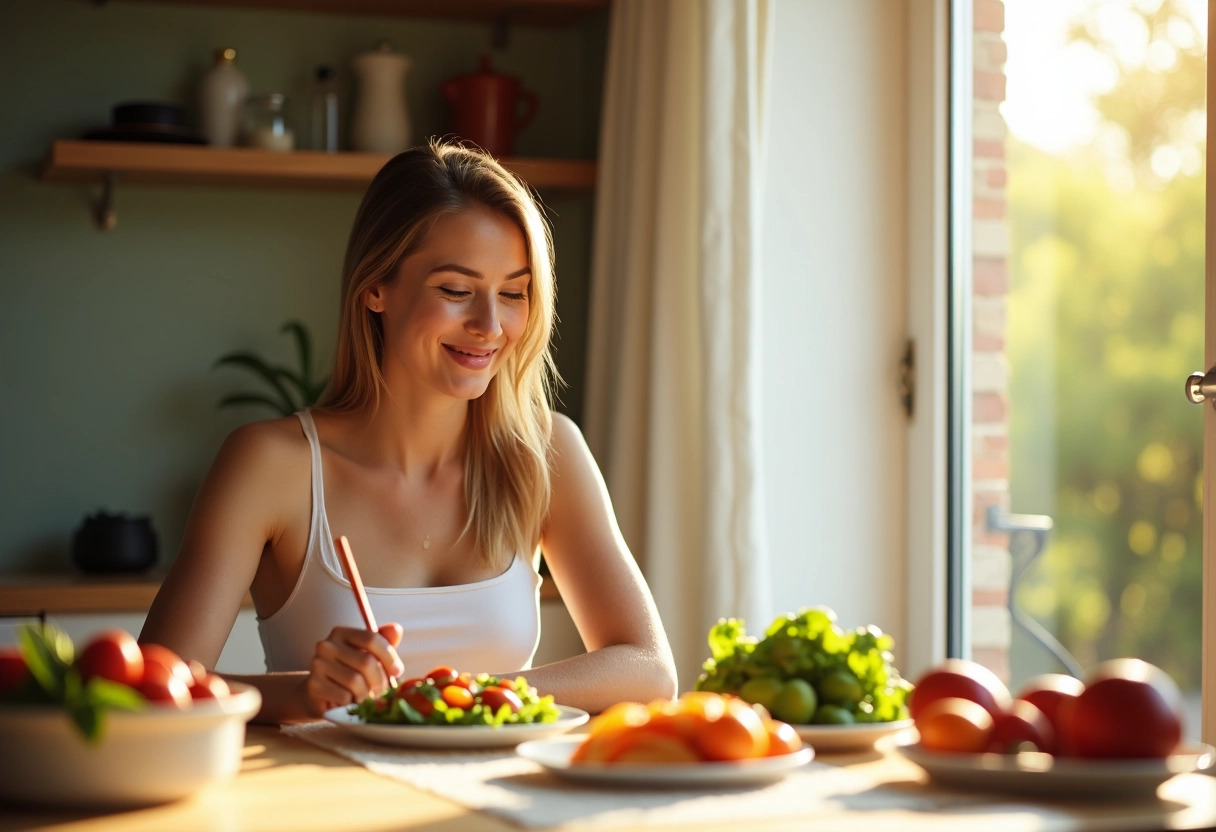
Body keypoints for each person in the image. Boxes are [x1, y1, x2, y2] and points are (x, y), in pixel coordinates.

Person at [140, 141, 677, 723]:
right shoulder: (271, 464)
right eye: (454, 290)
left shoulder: (545, 452)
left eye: (513, 293)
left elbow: (647, 669)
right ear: (376, 288)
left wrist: (461, 698)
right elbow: (155, 680)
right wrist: (303, 694)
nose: (489, 326)